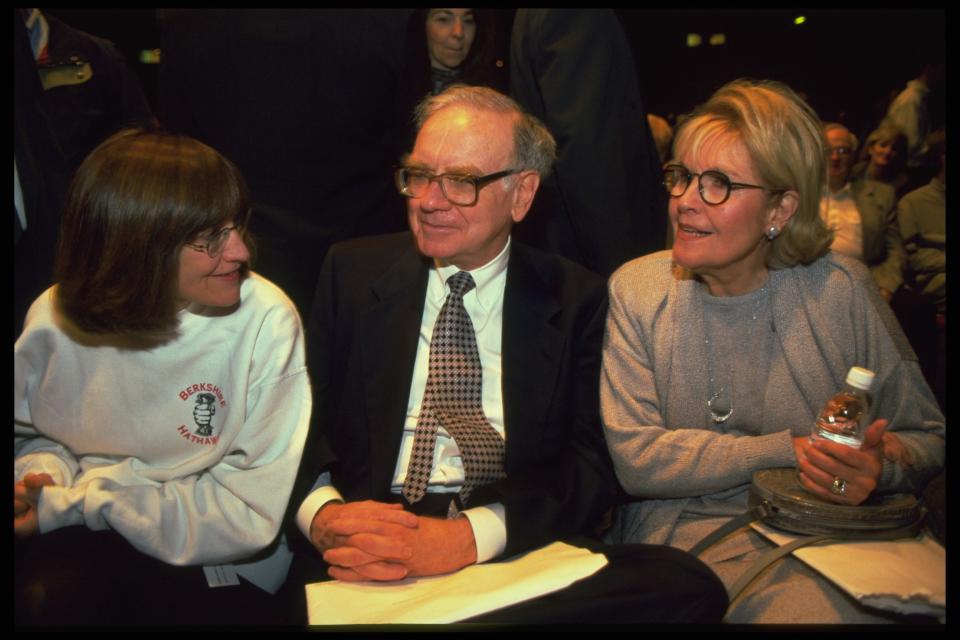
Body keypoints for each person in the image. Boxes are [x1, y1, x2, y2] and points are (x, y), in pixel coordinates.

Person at [287, 85, 727, 624]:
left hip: (505, 531)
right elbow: (295, 422)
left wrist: (469, 538)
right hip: (374, 534)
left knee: (685, 583)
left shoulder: (576, 298)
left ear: (522, 194)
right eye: (420, 175)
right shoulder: (351, 274)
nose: (428, 200)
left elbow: (590, 463)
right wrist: (325, 515)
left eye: (462, 181)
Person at [600, 80, 945, 623]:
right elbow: (638, 461)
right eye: (682, 176)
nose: (686, 200)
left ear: (781, 208)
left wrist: (875, 468)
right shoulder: (638, 290)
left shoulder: (841, 290)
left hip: (840, 540)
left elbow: (927, 435)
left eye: (718, 184)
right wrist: (792, 449)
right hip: (685, 537)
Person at [14, 130, 311, 626]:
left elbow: (246, 514)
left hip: (215, 551)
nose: (239, 252)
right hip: (79, 529)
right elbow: (37, 434)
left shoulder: (266, 319)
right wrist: (43, 474)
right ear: (137, 243)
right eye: (211, 238)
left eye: (238, 226)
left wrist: (77, 501)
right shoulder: (53, 315)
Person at [509, 9, 667, 277]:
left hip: (563, 245)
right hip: (593, 257)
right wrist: (628, 275)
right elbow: (588, 156)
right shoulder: (577, 15)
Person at [821, 122, 905, 302]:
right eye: (828, 151)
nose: (835, 157)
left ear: (853, 157)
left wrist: (886, 287)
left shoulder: (882, 195)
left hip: (864, 283)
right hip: (812, 284)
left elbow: (895, 251)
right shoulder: (800, 196)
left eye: (843, 151)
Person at [851, 124, 911, 199]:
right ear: (871, 148)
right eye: (883, 145)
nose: (888, 151)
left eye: (894, 148)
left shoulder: (901, 184)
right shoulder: (853, 173)